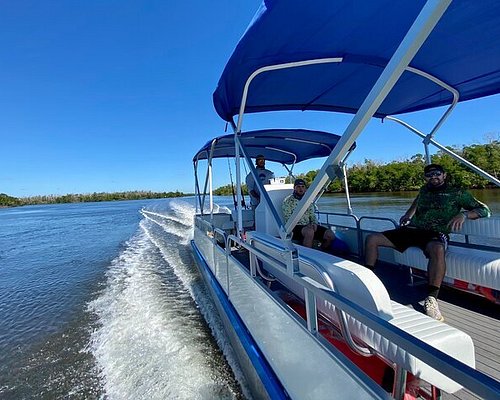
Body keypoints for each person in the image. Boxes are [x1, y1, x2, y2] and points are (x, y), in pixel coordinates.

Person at [364, 164, 491, 321]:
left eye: (437, 174)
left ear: (444, 175)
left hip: (435, 234)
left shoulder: (457, 193)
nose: (433, 177)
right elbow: (417, 201)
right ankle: (367, 279)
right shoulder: (424, 190)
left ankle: (431, 299)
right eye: (429, 175)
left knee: (437, 249)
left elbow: (485, 210)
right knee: (372, 239)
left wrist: (465, 214)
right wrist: (408, 214)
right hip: (413, 230)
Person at [282, 179, 335, 251]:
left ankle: (321, 252)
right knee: (309, 232)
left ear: (305, 188)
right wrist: (307, 227)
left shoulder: (308, 201)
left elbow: (312, 215)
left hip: (308, 226)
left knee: (330, 235)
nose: (301, 189)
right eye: (298, 186)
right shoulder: (288, 201)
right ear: (294, 188)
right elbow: (288, 218)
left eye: (303, 186)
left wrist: (314, 224)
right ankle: (307, 257)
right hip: (293, 228)